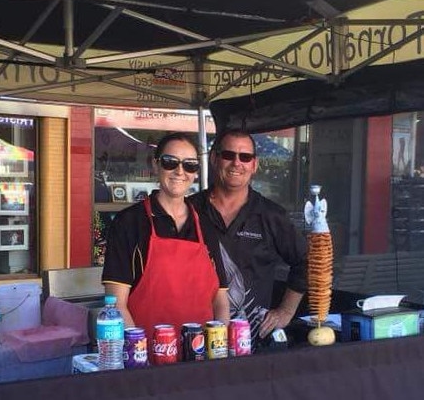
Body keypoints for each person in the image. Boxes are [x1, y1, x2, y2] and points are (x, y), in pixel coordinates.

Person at [102, 132, 229, 345]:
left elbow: (221, 300)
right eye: (170, 162)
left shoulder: (206, 226)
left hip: (201, 357)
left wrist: (219, 346)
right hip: (146, 361)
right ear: (155, 165)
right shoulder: (129, 223)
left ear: (196, 172)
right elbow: (116, 305)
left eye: (189, 165)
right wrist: (139, 354)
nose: (180, 171)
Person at [191, 128, 307, 345]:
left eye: (245, 157)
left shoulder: (272, 216)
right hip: (195, 337)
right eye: (228, 155)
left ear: (254, 165)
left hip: (251, 341)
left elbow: (306, 262)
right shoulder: (189, 211)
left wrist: (285, 311)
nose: (237, 163)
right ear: (215, 158)